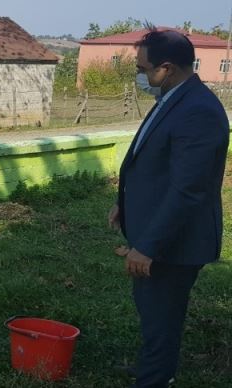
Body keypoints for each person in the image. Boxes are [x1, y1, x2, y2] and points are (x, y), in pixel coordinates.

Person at [107, 27, 228, 387]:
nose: (141, 76)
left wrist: (148, 247)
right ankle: (152, 366)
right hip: (158, 231)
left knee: (163, 314)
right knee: (152, 309)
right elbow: (154, 163)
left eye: (144, 69)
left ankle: (156, 378)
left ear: (167, 68)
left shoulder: (198, 111)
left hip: (175, 242)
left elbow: (188, 190)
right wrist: (124, 203)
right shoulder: (175, 96)